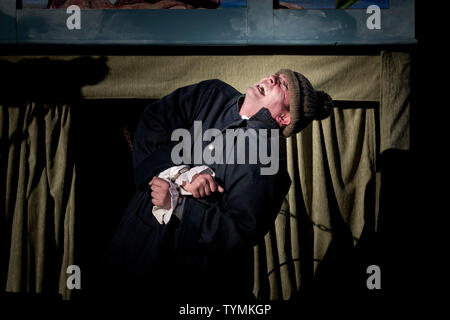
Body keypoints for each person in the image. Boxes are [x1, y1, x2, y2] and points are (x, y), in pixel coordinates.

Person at [100, 69, 333, 302]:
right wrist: (179, 175)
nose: (272, 79)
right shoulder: (211, 94)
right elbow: (153, 123)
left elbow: (238, 232)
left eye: (282, 85)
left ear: (284, 118)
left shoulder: (269, 166)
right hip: (133, 243)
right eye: (277, 75)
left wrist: (179, 205)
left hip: (184, 278)